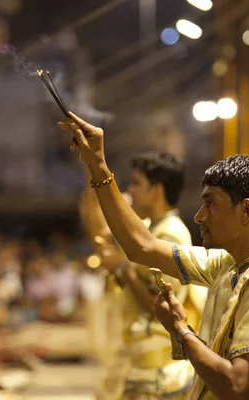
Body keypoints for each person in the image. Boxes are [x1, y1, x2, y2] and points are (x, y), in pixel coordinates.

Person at [58, 113, 249, 400]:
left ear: (246, 211)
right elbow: (141, 247)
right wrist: (96, 164)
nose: (199, 217)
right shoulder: (230, 265)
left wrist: (181, 331)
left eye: (211, 204)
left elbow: (237, 385)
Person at [80, 151, 208, 399]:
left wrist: (121, 269)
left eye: (137, 183)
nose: (131, 190)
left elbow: (162, 307)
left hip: (158, 368)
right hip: (142, 361)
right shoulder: (152, 229)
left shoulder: (171, 235)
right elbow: (105, 231)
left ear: (156, 191)